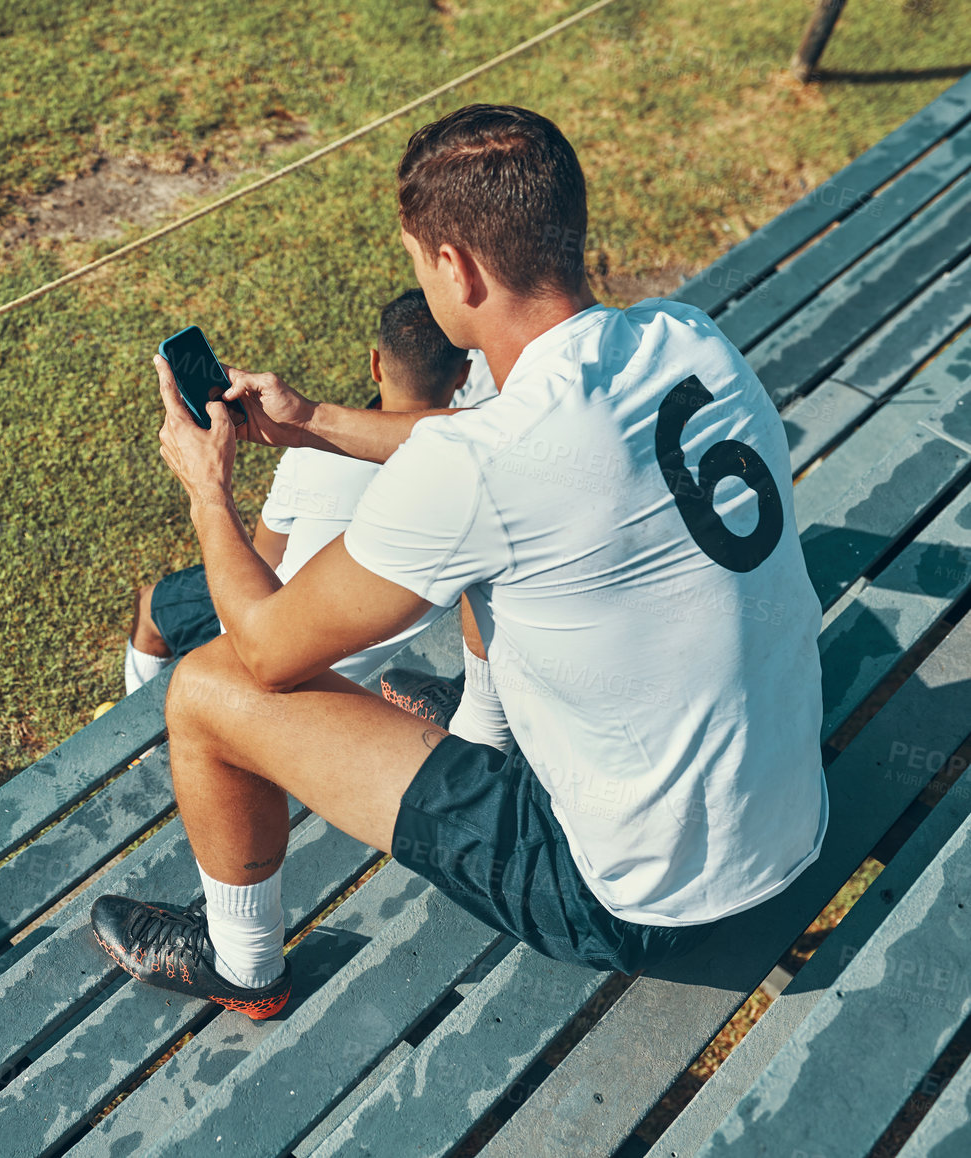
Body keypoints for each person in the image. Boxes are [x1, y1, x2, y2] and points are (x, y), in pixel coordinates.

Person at [90, 104, 828, 1021]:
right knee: (510, 565)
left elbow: (270, 650)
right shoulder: (684, 338)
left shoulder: (480, 468)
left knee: (205, 690)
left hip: (629, 901)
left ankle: (241, 964)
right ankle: (481, 734)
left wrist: (208, 490)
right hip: (791, 822)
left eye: (414, 258)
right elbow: (496, 442)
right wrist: (313, 420)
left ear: (455, 266)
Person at [124, 290, 488, 695]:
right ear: (463, 375)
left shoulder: (311, 459)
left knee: (153, 606)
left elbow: (264, 572)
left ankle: (148, 753)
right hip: (382, 658)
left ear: (375, 364)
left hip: (273, 648)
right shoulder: (481, 466)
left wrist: (209, 492)